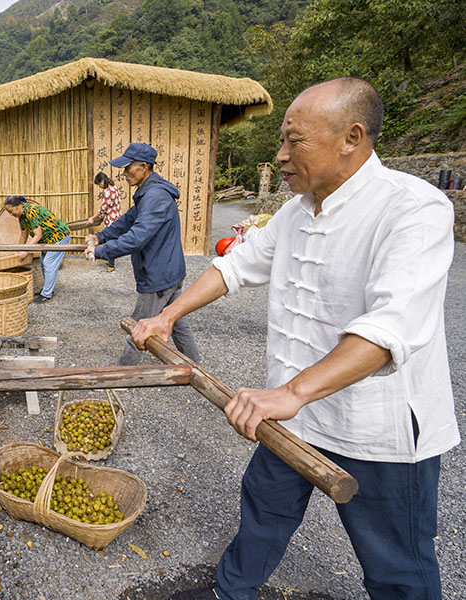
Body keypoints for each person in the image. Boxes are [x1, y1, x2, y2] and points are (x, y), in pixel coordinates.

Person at [131, 78, 459, 600]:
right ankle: (229, 592)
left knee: (397, 562)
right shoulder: (295, 210)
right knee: (263, 507)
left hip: (380, 429)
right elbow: (235, 266)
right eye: (281, 142)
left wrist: (290, 392)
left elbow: (390, 326)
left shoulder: (413, 209)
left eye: (294, 141)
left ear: (352, 137)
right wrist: (168, 315)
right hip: (294, 416)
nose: (281, 156)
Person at [84, 142, 200, 364]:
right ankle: (194, 366)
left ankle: (120, 375)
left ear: (144, 167)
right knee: (176, 320)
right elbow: (127, 220)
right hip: (168, 271)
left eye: (128, 168)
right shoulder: (147, 192)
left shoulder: (155, 196)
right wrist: (101, 236)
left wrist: (99, 251)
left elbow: (137, 237)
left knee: (139, 327)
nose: (124, 173)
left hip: (158, 274)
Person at [2, 195, 71, 303]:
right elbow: (23, 235)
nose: (11, 215)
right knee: (43, 262)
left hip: (59, 236)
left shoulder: (31, 212)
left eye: (11, 211)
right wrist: (18, 250)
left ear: (19, 206)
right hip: (48, 240)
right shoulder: (22, 216)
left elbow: (38, 235)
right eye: (9, 213)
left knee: (48, 263)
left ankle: (46, 294)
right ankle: (48, 289)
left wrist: (26, 250)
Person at [84, 172, 124, 272]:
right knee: (112, 241)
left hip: (111, 221)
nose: (99, 186)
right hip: (117, 219)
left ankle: (111, 266)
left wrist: (92, 218)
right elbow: (111, 205)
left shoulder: (107, 191)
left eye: (99, 184)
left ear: (102, 181)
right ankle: (110, 261)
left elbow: (103, 208)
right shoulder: (115, 188)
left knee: (110, 242)